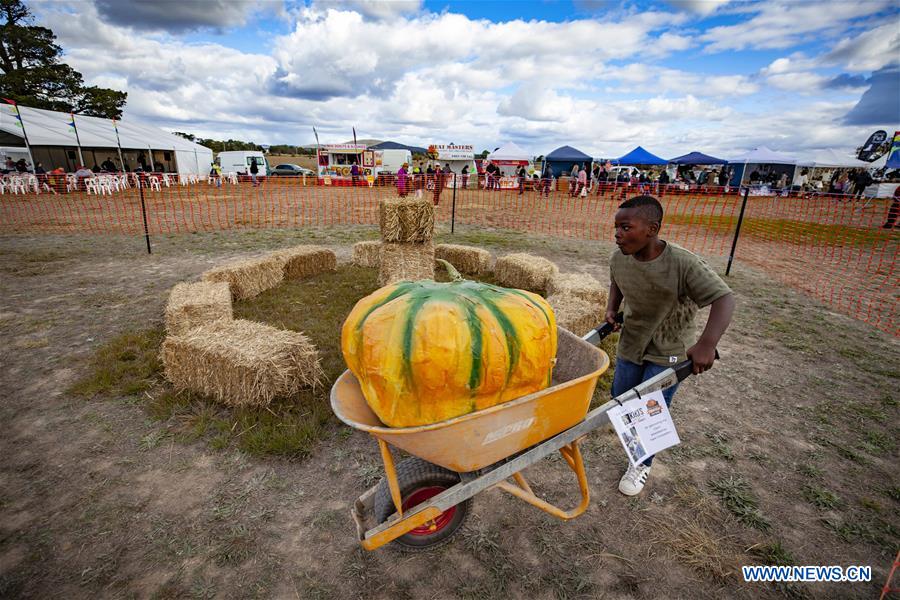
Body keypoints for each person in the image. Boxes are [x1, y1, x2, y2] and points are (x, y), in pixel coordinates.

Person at [605, 195, 735, 496]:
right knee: (621, 398)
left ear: (652, 229)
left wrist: (706, 343)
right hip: (632, 341)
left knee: (649, 409)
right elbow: (616, 281)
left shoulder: (682, 263)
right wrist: (612, 307)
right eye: (616, 227)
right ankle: (637, 440)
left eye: (626, 227)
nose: (617, 234)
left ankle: (641, 462)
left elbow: (724, 298)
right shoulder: (618, 257)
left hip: (669, 349)